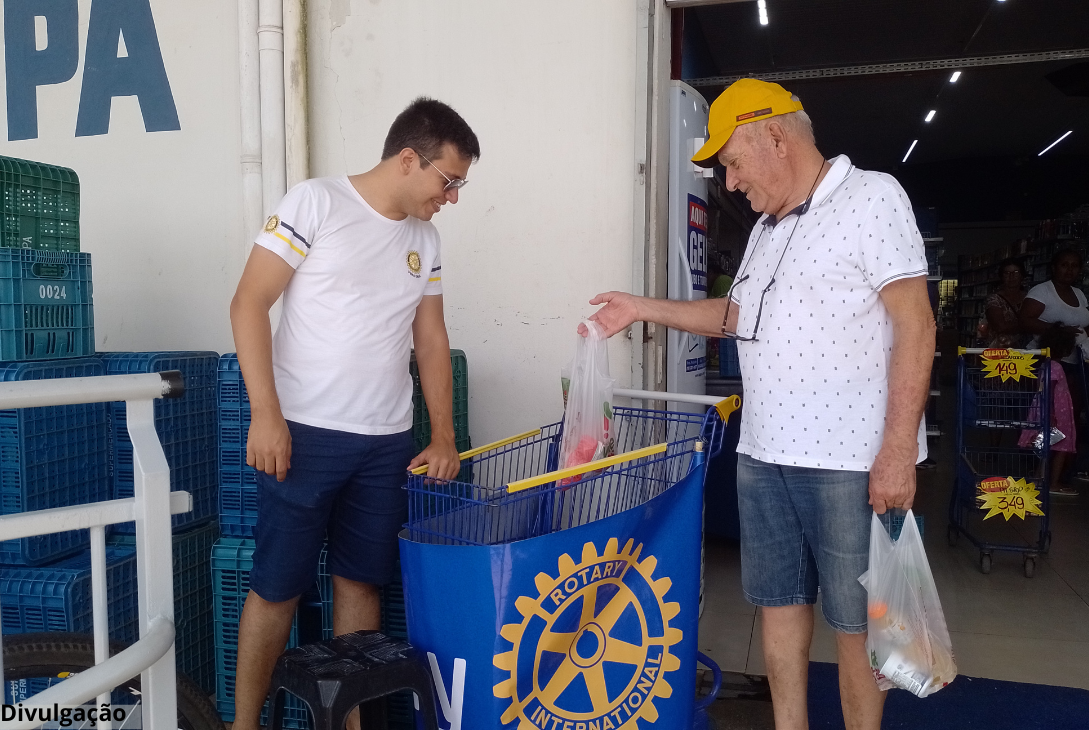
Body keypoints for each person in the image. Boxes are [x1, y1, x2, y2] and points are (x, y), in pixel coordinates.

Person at [583, 78, 934, 730]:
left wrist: (895, 452)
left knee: (857, 626)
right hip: (762, 451)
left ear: (774, 135)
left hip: (849, 462)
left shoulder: (871, 197)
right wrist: (639, 308)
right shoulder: (767, 229)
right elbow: (734, 315)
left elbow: (915, 324)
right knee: (776, 606)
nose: (731, 181)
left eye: (732, 162)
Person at [228, 97, 479, 730]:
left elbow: (431, 338)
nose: (451, 197)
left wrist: (442, 433)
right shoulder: (315, 203)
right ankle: (244, 724)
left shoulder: (426, 238)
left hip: (386, 441)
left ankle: (349, 725)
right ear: (406, 159)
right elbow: (248, 304)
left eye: (459, 186)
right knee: (277, 588)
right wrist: (266, 415)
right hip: (303, 434)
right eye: (448, 181)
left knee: (360, 584)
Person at [1020, 247, 1089, 471]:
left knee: (1069, 416)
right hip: (1046, 364)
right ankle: (1038, 465)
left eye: (1074, 265)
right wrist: (1060, 332)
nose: (1069, 270)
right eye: (1064, 264)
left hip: (1073, 362)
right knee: (1047, 416)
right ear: (1053, 267)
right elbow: (1025, 320)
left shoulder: (1079, 294)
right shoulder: (1042, 292)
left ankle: (1062, 467)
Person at [1018, 327, 1078, 497]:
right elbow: (1050, 389)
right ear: (1065, 348)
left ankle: (1039, 477)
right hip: (1058, 413)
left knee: (1046, 447)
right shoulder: (1056, 367)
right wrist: (1052, 413)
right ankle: (1054, 483)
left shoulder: (1045, 364)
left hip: (1046, 410)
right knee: (1062, 447)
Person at [981, 258, 1029, 349]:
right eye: (1006, 273)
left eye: (1015, 272)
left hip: (1026, 350)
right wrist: (1029, 325)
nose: (1011, 276)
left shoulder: (1030, 297)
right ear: (1002, 276)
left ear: (1022, 275)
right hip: (1001, 350)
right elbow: (1000, 327)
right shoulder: (994, 299)